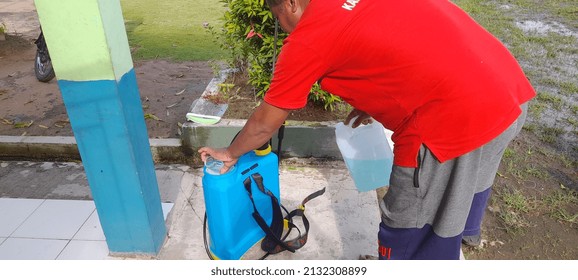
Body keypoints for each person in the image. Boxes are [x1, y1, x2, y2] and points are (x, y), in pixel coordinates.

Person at [198, 0, 536, 259]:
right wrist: (372, 98)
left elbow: (264, 124)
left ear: (289, 4)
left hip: (452, 119)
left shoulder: (307, 40)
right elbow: (398, 39)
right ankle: (466, 233)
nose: (281, 25)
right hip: (507, 88)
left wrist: (229, 152)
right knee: (472, 178)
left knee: (409, 221)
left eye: (277, 17)